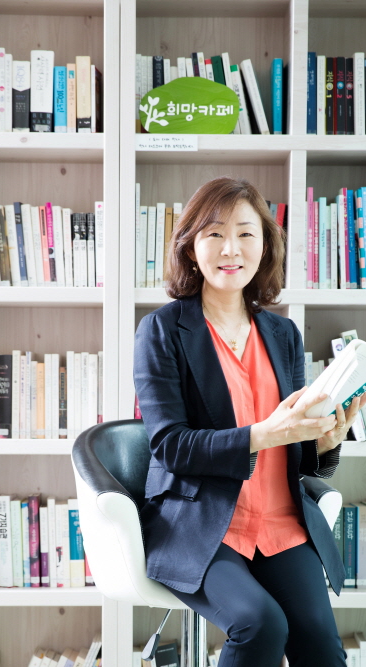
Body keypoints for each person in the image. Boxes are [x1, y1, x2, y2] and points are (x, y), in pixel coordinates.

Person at [133, 177, 366, 667]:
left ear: (265, 245)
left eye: (245, 233)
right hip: (201, 524)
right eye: (215, 234)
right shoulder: (161, 330)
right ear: (191, 247)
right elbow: (170, 445)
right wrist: (267, 433)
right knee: (261, 624)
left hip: (280, 521)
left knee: (321, 645)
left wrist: (325, 440)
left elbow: (299, 458)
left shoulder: (283, 333)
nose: (230, 249)